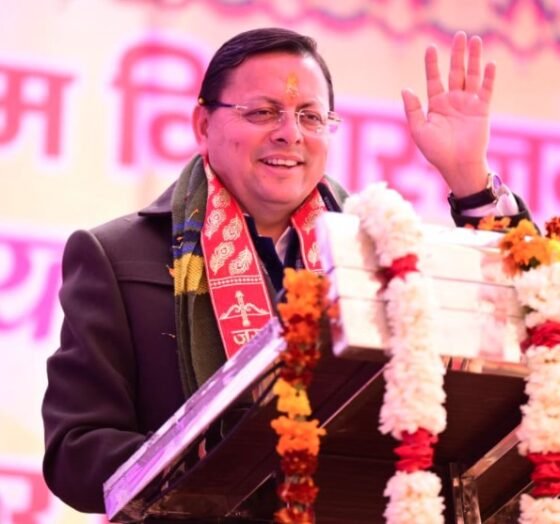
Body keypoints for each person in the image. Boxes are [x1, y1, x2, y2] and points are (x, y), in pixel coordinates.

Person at [41, 27, 533, 515]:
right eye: (262, 112)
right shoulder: (118, 256)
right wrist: (211, 459)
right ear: (203, 124)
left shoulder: (381, 256)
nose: (290, 134)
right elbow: (74, 453)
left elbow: (532, 310)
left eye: (310, 117)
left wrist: (468, 178)